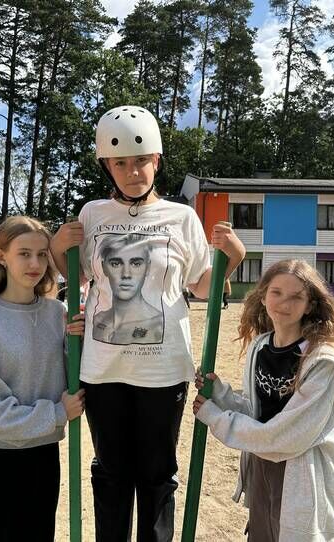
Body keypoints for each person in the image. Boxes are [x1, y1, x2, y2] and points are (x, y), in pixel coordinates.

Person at [50, 105, 245, 541]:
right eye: (120, 163)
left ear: (156, 160)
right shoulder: (93, 214)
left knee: (157, 473)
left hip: (163, 369)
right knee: (111, 471)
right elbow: (76, 277)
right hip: (103, 369)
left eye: (141, 160)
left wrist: (233, 258)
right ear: (107, 166)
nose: (132, 171)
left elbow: (201, 286)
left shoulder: (181, 217)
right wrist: (58, 248)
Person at [193, 259, 334, 542]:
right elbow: (257, 412)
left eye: (296, 296)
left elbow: (288, 436)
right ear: (263, 297)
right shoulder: (260, 347)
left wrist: (217, 418)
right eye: (276, 292)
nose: (285, 303)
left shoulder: (321, 360)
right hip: (263, 464)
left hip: (303, 475)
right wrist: (221, 395)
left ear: (310, 305)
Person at [0, 216, 86, 542]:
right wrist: (57, 413)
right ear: (1, 256)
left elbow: (71, 377)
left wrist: (77, 343)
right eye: (24, 254)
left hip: (42, 457)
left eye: (42, 255)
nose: (35, 264)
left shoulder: (57, 314)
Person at [93, 233, 163, 344]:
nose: (126, 274)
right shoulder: (97, 320)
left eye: (136, 264)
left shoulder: (158, 324)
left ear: (148, 268)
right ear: (103, 267)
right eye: (116, 264)